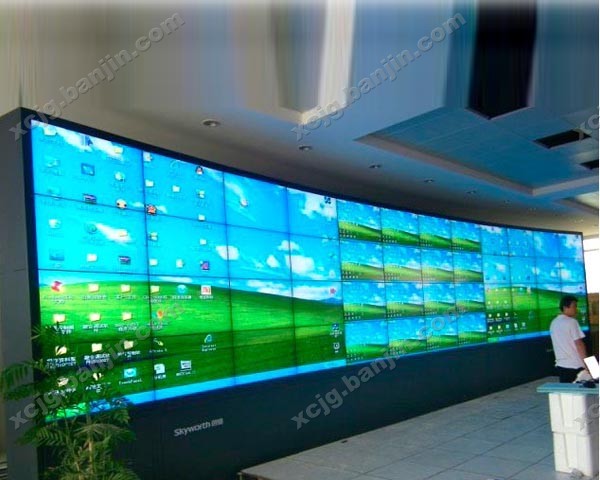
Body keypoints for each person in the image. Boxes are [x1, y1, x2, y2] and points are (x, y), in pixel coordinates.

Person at [549, 295, 587, 383]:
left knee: (566, 390)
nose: (576, 309)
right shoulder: (572, 322)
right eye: (574, 306)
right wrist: (586, 364)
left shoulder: (553, 323)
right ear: (565, 307)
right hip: (576, 365)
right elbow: (579, 344)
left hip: (561, 365)